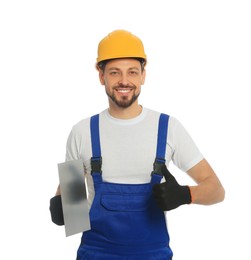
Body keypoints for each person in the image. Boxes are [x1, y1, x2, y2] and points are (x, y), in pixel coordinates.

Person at [50, 29, 225, 259]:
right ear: (101, 75)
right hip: (96, 254)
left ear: (143, 75)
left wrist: (185, 195)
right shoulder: (82, 132)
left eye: (132, 72)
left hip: (153, 255)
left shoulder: (168, 127)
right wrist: (62, 205)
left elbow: (217, 190)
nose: (124, 81)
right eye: (114, 72)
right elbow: (71, 208)